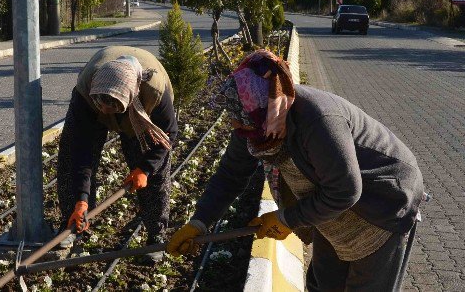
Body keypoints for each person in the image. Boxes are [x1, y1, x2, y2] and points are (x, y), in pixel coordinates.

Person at [167, 50, 425, 292]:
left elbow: (345, 190)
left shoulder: (318, 119)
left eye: (240, 116)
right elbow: (229, 176)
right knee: (323, 285)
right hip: (332, 206)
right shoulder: (253, 125)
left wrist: (286, 219)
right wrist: (199, 222)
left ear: (262, 106)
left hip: (383, 204)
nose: (235, 123)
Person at [58, 46, 178, 262]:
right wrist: (81, 200)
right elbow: (81, 149)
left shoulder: (155, 93)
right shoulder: (87, 92)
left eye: (111, 107)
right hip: (95, 101)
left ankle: (156, 236)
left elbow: (168, 136)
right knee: (70, 157)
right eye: (101, 104)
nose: (105, 111)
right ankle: (73, 222)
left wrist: (145, 169)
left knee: (155, 175)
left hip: (140, 115)